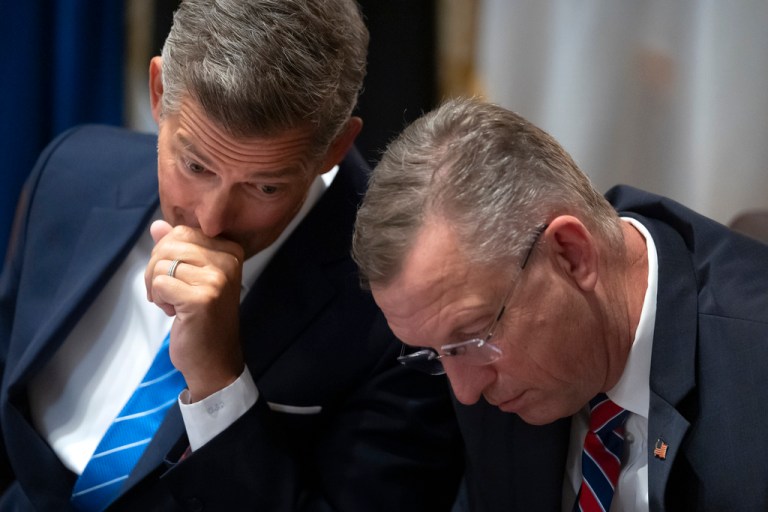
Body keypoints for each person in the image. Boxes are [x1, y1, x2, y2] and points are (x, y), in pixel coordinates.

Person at [0, 1, 464, 510]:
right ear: (159, 91)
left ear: (333, 148)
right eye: (195, 166)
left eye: (265, 187)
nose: (212, 221)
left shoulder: (405, 310)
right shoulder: (69, 173)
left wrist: (219, 385)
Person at [352, 96, 768, 511]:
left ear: (572, 254)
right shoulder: (489, 366)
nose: (466, 392)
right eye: (434, 354)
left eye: (474, 336)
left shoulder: (754, 369)